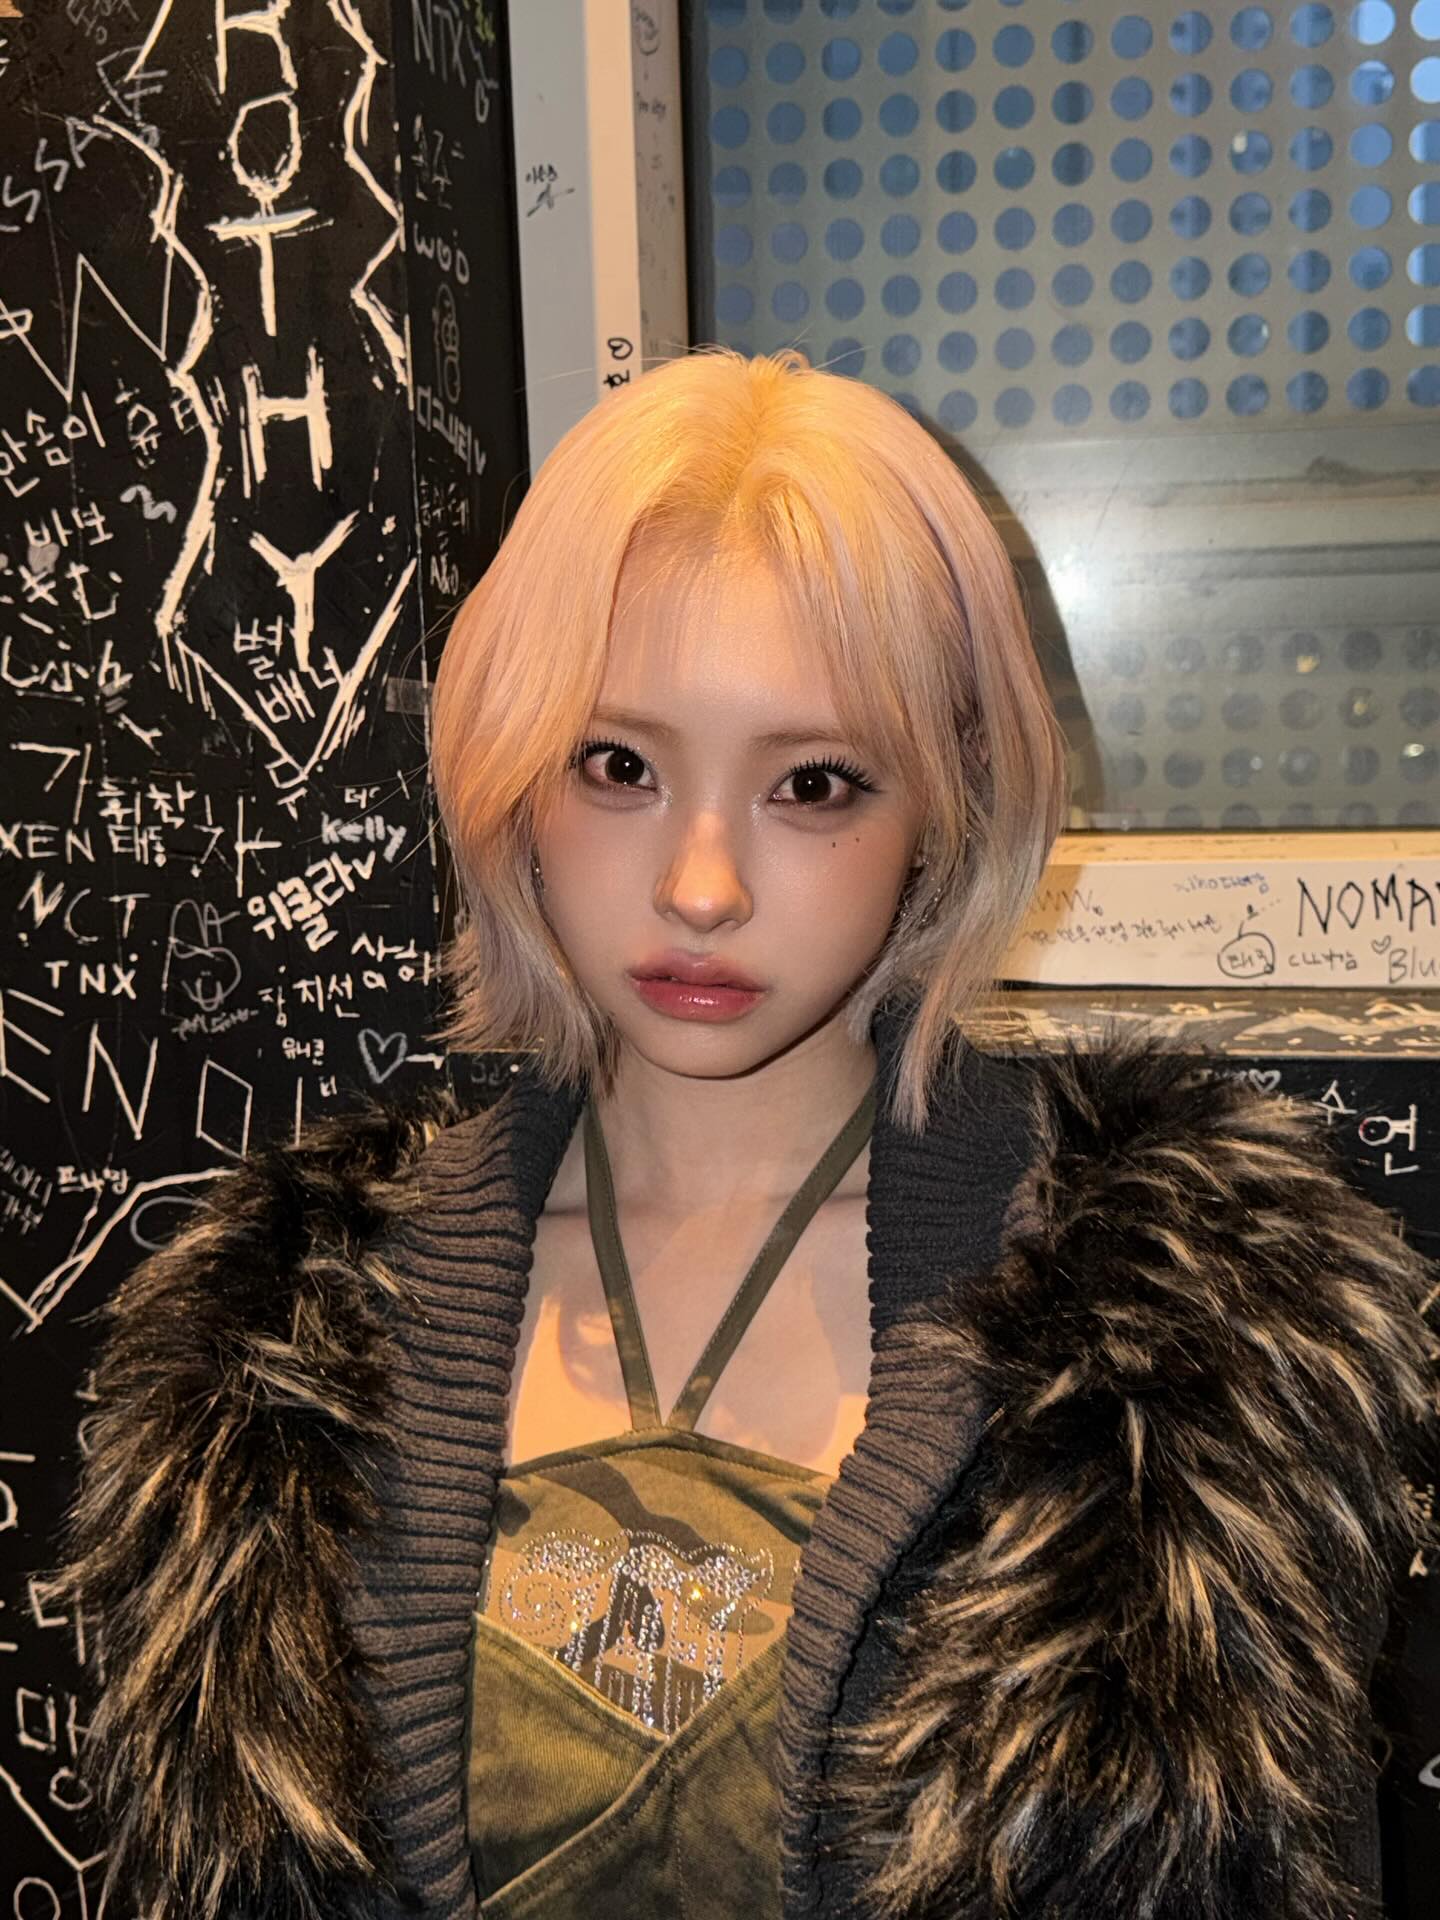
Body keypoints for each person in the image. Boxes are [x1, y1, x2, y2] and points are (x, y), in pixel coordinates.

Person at [56, 348, 1436, 1920]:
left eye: (815, 784)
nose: (700, 885)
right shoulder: (267, 1360)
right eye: (620, 767)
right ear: (513, 771)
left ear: (947, 805)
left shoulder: (1186, 1365)